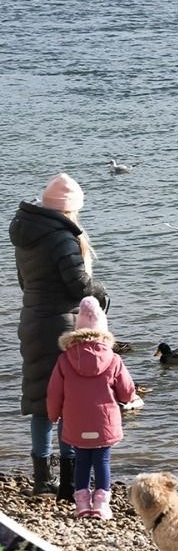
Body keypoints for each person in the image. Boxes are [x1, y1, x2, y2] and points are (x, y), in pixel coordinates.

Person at [9, 174, 108, 500]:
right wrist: (101, 296)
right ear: (70, 210)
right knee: (69, 402)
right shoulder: (62, 238)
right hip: (60, 326)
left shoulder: (28, 233)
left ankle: (41, 479)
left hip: (32, 320)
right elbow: (79, 286)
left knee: (41, 401)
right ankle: (67, 482)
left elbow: (25, 282)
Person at [47, 296, 132, 519]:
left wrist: (53, 414)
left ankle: (82, 505)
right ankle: (101, 506)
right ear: (103, 331)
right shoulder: (113, 359)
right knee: (102, 460)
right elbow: (126, 390)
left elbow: (54, 392)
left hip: (76, 422)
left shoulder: (65, 359)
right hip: (104, 421)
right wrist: (128, 398)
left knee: (82, 460)